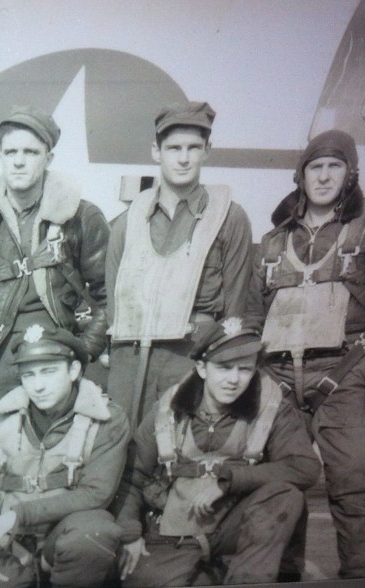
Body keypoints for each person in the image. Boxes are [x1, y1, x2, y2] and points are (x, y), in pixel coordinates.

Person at [248, 129, 365, 579]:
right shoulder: (271, 242)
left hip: (344, 373)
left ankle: (359, 578)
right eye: (314, 167)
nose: (323, 177)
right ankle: (284, 576)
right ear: (301, 176)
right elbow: (250, 315)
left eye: (333, 167)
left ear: (350, 173)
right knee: (282, 486)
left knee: (353, 482)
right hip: (279, 378)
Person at [115, 317, 320, 587]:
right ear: (202, 368)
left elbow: (304, 467)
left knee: (284, 495)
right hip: (175, 530)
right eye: (224, 368)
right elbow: (132, 475)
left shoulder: (271, 407)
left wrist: (230, 481)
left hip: (237, 526)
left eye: (244, 370)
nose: (234, 380)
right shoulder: (168, 410)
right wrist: (130, 534)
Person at [106, 101, 253, 423]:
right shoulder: (127, 220)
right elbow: (113, 301)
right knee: (125, 456)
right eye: (173, 148)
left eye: (193, 148)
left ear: (207, 151)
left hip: (191, 356)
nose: (184, 158)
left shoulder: (230, 217)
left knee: (182, 453)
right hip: (131, 357)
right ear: (156, 152)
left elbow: (236, 310)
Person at [0, 105, 111, 423]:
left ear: (49, 158)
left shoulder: (82, 217)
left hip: (58, 353)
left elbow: (110, 295)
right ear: (0, 156)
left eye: (30, 152)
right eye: (10, 151)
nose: (18, 161)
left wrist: (83, 352)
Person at [0, 324, 130, 588]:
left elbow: (97, 493)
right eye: (28, 375)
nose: (38, 386)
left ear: (73, 370)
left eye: (48, 372)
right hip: (11, 545)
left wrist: (19, 514)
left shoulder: (106, 419)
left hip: (65, 539)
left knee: (93, 531)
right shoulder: (1, 422)